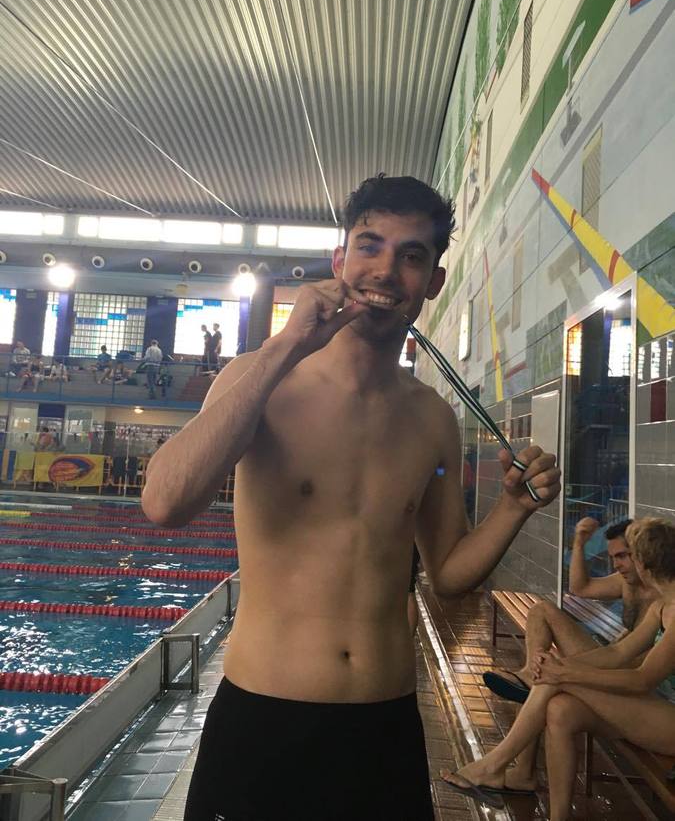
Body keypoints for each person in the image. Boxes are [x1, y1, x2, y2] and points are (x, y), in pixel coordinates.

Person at [142, 174, 560, 821]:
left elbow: (447, 574)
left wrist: (512, 509)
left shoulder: (431, 420)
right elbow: (165, 503)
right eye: (369, 245)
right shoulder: (260, 379)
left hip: (383, 726)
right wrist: (284, 346)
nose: (385, 270)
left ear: (433, 285)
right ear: (338, 261)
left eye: (411, 256)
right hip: (263, 720)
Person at [442, 517, 675, 820]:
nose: (620, 562)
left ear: (643, 562)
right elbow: (619, 652)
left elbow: (641, 679)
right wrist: (560, 667)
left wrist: (565, 673)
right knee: (560, 711)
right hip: (655, 708)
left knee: (559, 682)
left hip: (667, 716)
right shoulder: (662, 606)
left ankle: (494, 765)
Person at [483, 517, 658, 706]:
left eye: (622, 556)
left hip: (628, 672)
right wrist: (579, 543)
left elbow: (638, 662)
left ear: (641, 553)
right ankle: (529, 674)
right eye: (613, 557)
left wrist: (567, 666)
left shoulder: (662, 595)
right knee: (541, 610)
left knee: (554, 695)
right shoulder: (626, 582)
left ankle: (534, 678)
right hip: (613, 656)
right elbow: (581, 588)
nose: (616, 565)